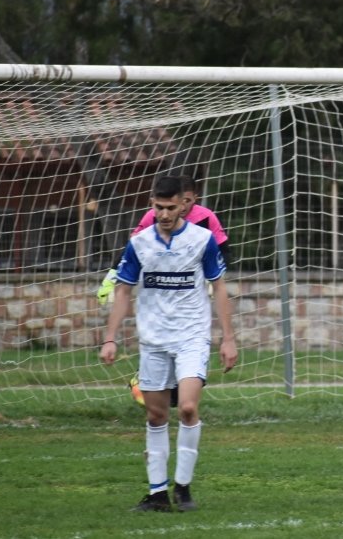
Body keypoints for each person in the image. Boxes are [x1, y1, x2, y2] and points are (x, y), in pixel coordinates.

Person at [99, 175, 237, 512]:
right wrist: (110, 338)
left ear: (184, 205)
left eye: (170, 207)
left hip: (191, 336)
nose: (163, 213)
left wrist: (228, 338)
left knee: (188, 408)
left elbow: (219, 287)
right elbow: (122, 292)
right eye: (158, 207)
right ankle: (157, 494)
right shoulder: (139, 243)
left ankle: (184, 488)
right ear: (152, 204)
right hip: (154, 339)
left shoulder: (202, 240)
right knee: (156, 415)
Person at [97, 174, 231, 305]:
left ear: (195, 198)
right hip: (160, 283)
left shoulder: (207, 217)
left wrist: (216, 279)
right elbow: (131, 249)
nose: (183, 207)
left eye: (188, 201)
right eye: (181, 201)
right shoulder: (154, 215)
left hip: (191, 285)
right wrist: (110, 279)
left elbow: (223, 249)